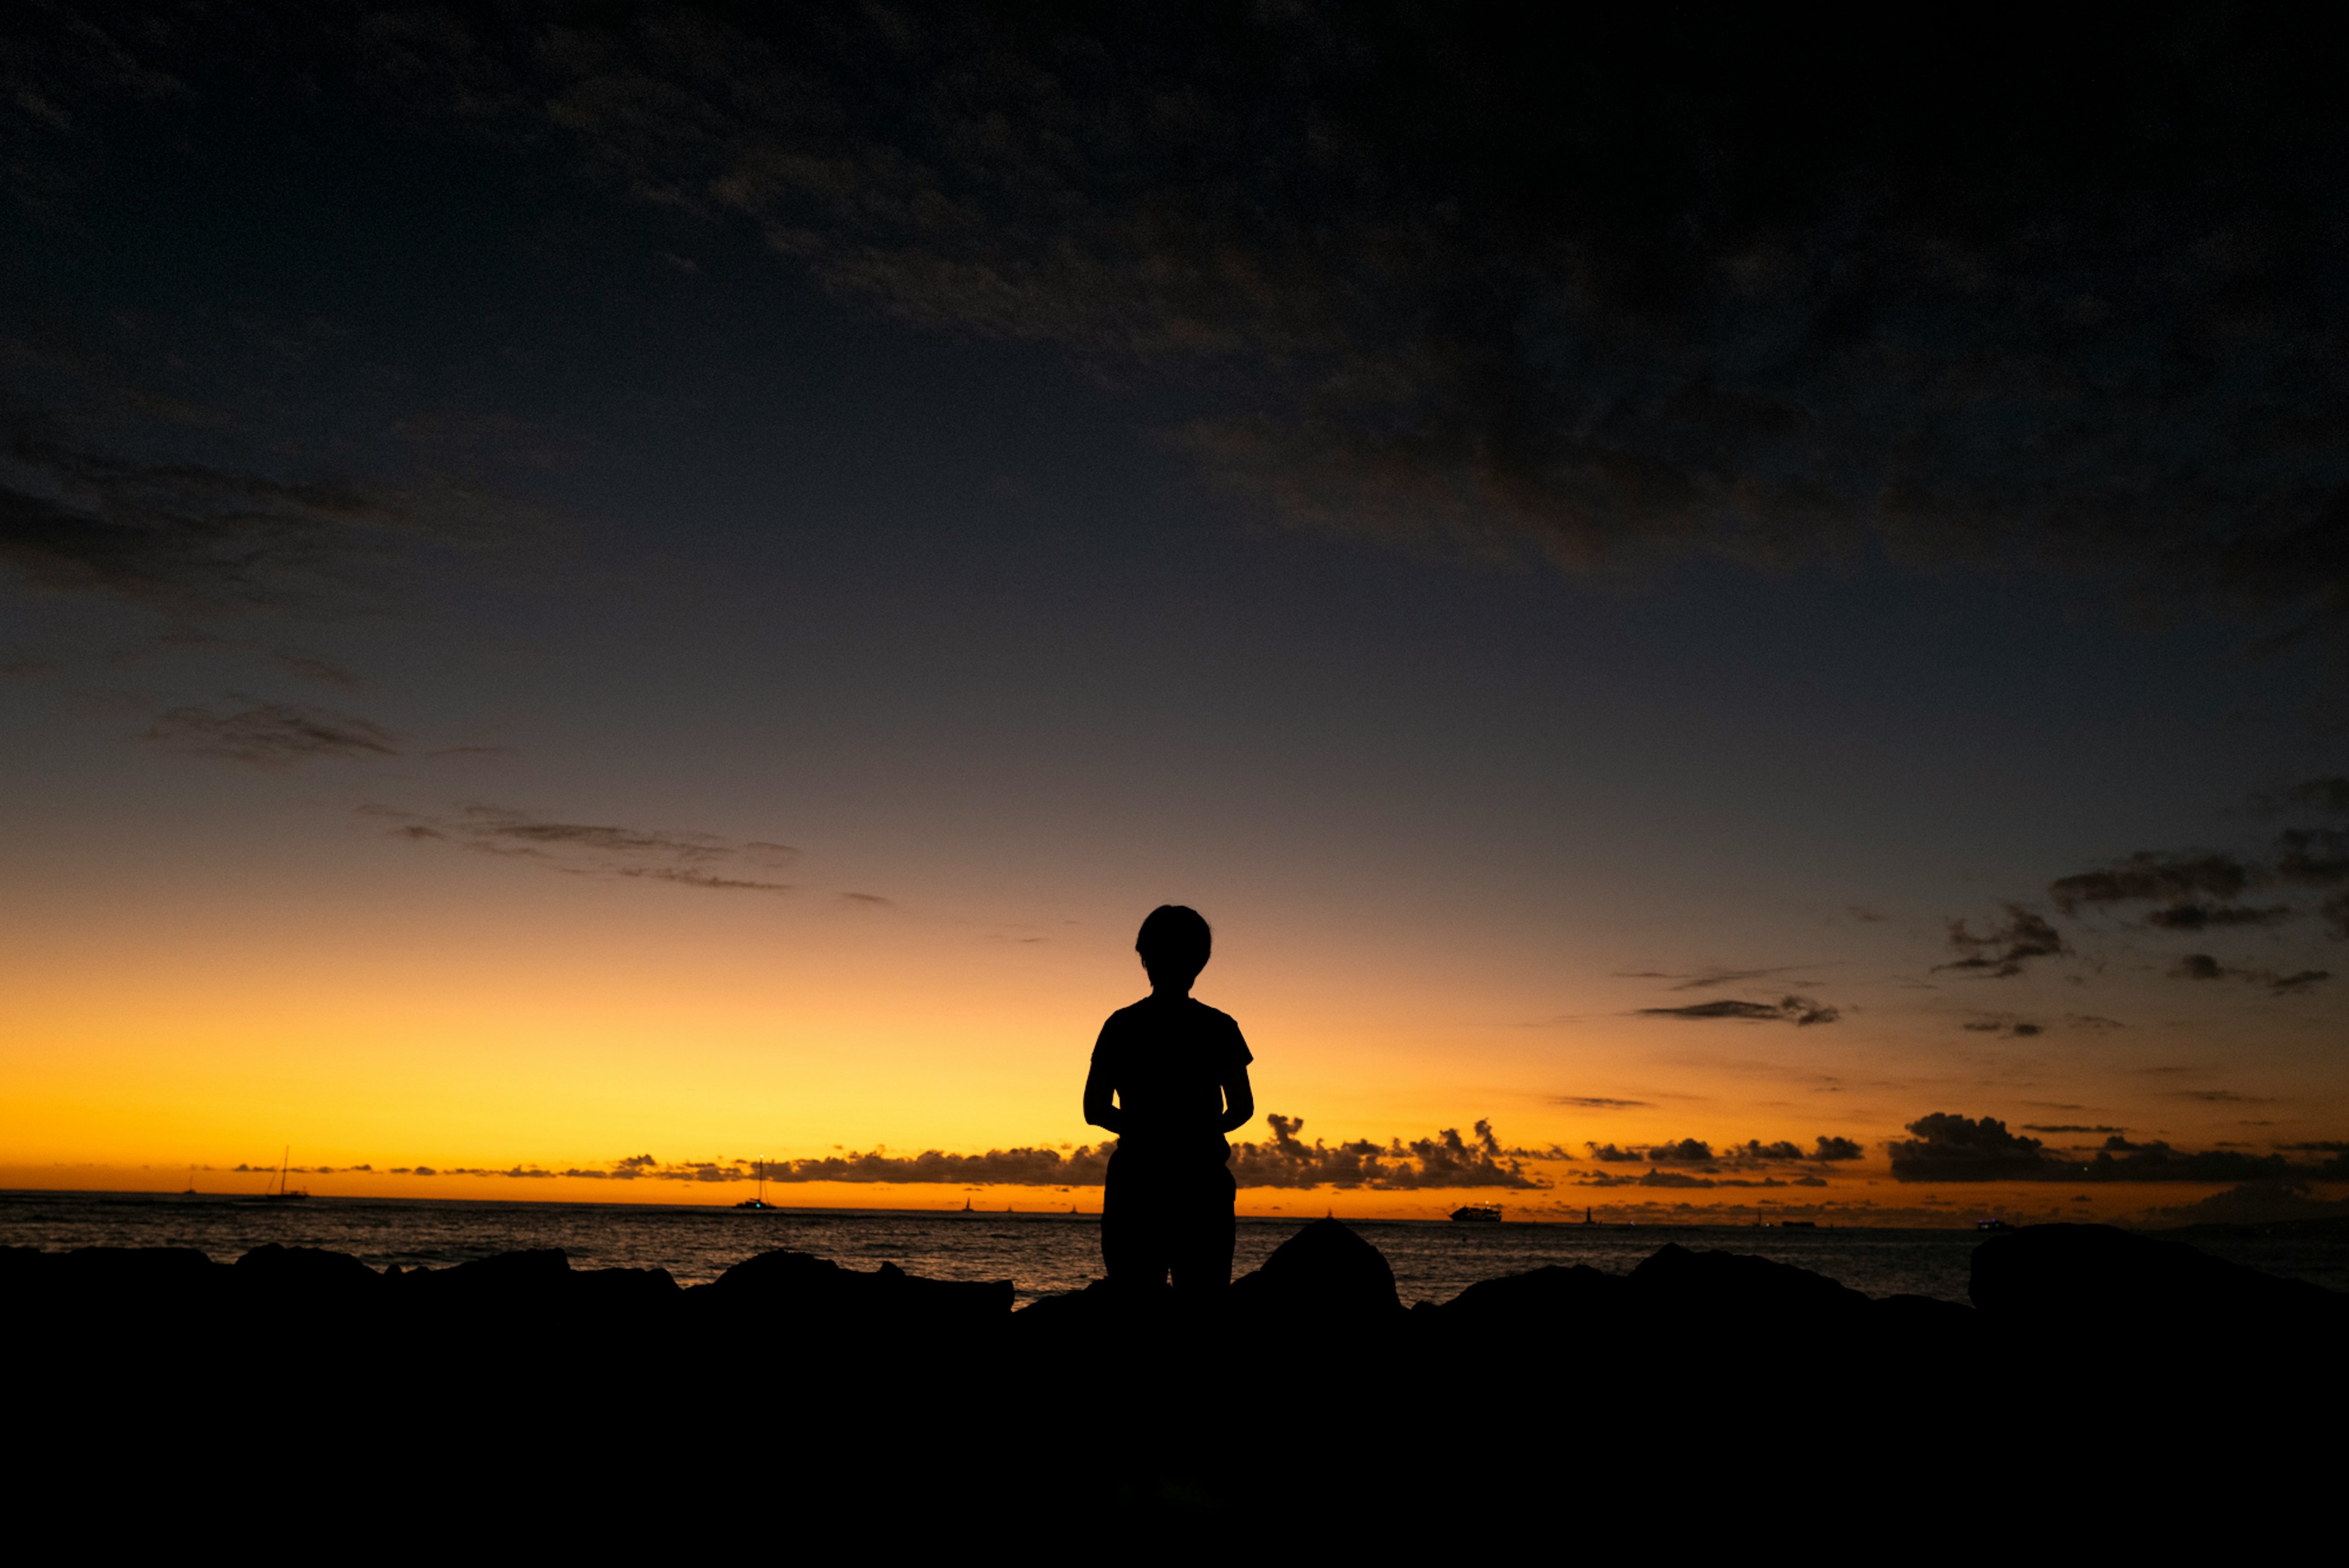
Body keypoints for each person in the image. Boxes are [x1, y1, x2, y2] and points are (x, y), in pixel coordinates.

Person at [1083, 904, 1255, 1294]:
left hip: (1138, 1183)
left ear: (1145, 958)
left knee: (1135, 1299)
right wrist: (1198, 1131)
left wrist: (1145, 1130)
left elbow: (1094, 1109)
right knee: (1203, 1300)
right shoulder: (1219, 1027)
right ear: (1201, 962)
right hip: (1200, 1183)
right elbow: (1242, 1108)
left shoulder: (1121, 1025)